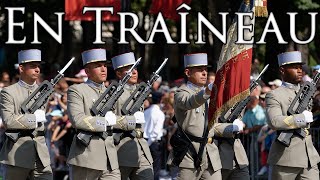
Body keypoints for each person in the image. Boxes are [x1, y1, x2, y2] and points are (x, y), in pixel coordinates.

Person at [67, 49, 120, 180]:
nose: (103, 69)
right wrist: (103, 122)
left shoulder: (111, 92)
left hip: (110, 159)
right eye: (98, 66)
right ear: (87, 71)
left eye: (105, 65)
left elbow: (115, 119)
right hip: (87, 157)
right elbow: (77, 119)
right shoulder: (77, 90)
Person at [266, 51, 320, 179]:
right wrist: (300, 119)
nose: (299, 70)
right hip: (285, 159)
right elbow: (274, 121)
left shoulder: (306, 91)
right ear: (282, 70)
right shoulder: (274, 95)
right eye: (295, 67)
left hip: (309, 158)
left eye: (300, 67)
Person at [167, 53, 222, 179]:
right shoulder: (181, 93)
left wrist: (228, 128)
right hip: (189, 153)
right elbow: (190, 102)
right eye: (199, 70)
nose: (204, 73)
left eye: (205, 69)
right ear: (188, 72)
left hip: (210, 153)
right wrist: (207, 91)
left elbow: (213, 124)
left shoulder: (210, 93)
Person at [0, 49, 52, 179]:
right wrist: (33, 119)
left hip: (41, 155)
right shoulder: (8, 92)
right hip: (17, 155)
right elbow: (8, 121)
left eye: (38, 66)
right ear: (21, 68)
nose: (37, 70)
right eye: (33, 66)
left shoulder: (43, 91)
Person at [111, 52, 154, 180]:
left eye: (135, 68)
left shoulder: (139, 91)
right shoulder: (114, 93)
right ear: (119, 74)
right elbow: (109, 120)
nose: (134, 72)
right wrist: (130, 121)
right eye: (129, 69)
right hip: (122, 148)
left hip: (142, 148)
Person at [143, 91, 165, 180]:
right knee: (155, 167)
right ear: (160, 101)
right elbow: (155, 132)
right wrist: (149, 143)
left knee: (146, 166)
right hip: (153, 142)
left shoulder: (146, 111)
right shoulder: (160, 114)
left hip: (145, 140)